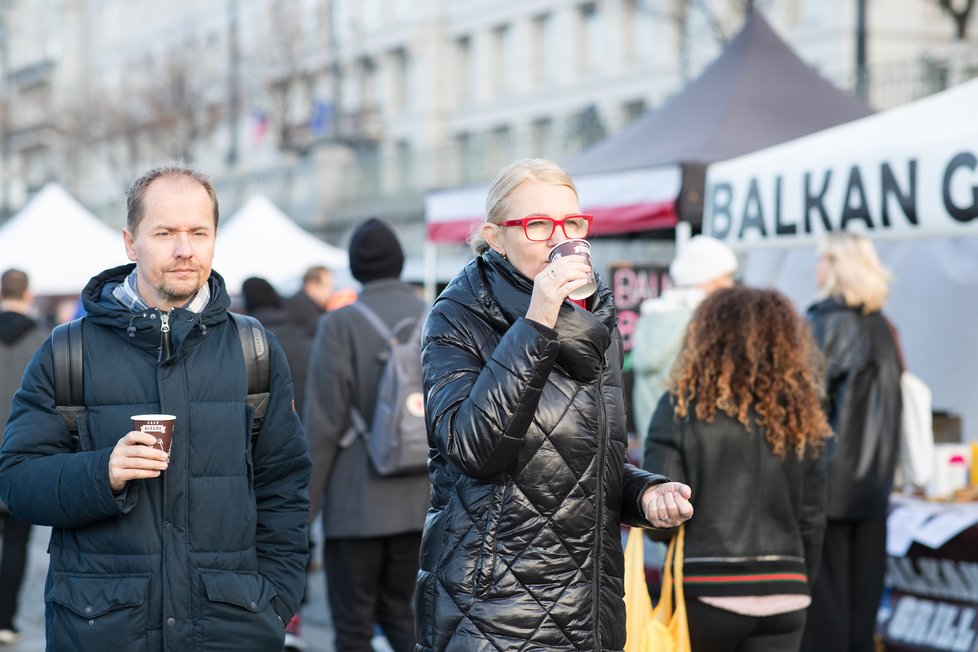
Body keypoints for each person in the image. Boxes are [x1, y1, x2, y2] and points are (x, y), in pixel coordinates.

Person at [0, 165, 311, 652]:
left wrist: (275, 600)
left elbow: (284, 486)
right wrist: (103, 473)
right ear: (130, 242)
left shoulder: (254, 350)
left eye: (198, 233)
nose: (184, 249)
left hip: (231, 626)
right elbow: (17, 482)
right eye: (165, 232)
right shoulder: (69, 351)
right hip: (102, 628)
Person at [415, 158, 693, 651]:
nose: (559, 238)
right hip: (496, 610)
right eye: (538, 224)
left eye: (572, 223)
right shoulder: (457, 315)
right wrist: (537, 320)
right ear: (495, 237)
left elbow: (582, 463)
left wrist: (644, 494)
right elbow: (474, 450)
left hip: (588, 605)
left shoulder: (595, 321)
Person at [643, 286, 831, 652]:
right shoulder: (802, 413)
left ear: (706, 335)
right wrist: (799, 581)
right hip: (787, 594)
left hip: (705, 591)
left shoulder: (680, 406)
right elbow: (813, 517)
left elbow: (661, 519)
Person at [304, 218, 430, 652]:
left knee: (354, 627)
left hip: (355, 504)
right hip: (421, 502)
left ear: (356, 267)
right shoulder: (434, 316)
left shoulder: (340, 325)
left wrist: (303, 510)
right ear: (399, 261)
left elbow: (323, 425)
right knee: (405, 616)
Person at [800, 231, 902, 652]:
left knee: (826, 616)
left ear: (838, 267)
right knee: (862, 611)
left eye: (824, 259)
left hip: (827, 487)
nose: (817, 268)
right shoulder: (883, 327)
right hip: (875, 487)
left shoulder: (825, 323)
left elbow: (803, 411)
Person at [631, 235, 737, 442]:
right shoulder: (701, 322)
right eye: (725, 278)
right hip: (691, 443)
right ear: (708, 279)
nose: (730, 286)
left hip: (655, 444)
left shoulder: (654, 315)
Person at [0, 269, 47, 646]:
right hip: (22, 455)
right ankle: (6, 620)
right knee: (16, 544)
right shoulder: (44, 341)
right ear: (28, 295)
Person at [283, 266, 333, 418]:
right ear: (311, 286)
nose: (331, 292)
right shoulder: (309, 317)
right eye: (327, 286)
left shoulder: (306, 311)